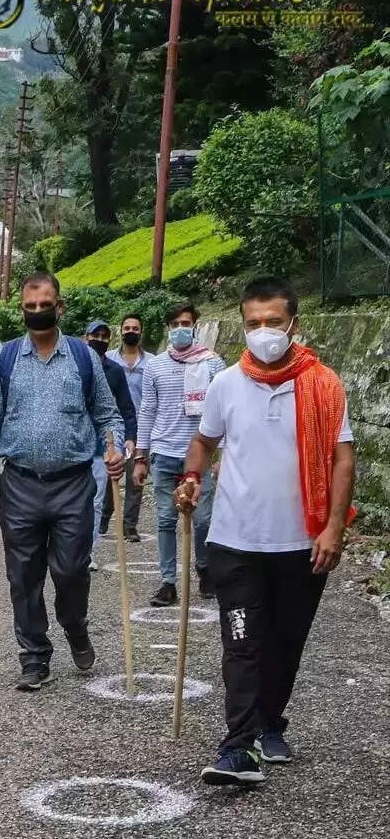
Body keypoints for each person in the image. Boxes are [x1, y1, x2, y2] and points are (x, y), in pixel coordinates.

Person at [177, 277, 355, 786]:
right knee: (243, 644)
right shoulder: (226, 383)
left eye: (273, 322)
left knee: (285, 643)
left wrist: (334, 528)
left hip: (303, 542)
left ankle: (270, 722)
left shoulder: (323, 384)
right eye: (253, 323)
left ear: (293, 323)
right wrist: (190, 479)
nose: (263, 332)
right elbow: (204, 443)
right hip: (235, 542)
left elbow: (343, 458)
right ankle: (238, 747)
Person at [0, 273, 124, 690]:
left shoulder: (82, 356)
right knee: (22, 575)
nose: (37, 312)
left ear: (61, 307)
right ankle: (34, 656)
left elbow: (108, 415)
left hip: (74, 484)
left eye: (45, 305)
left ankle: (74, 625)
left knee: (72, 570)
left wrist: (116, 448)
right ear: (21, 309)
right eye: (29, 307)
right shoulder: (5, 358)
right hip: (19, 484)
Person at [134, 303, 225, 606]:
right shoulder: (155, 366)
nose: (180, 328)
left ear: (195, 326)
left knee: (203, 519)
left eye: (185, 323)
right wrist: (141, 456)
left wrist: (222, 455)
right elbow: (147, 410)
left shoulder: (213, 364)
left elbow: (224, 412)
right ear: (167, 329)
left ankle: (204, 567)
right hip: (164, 451)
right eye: (174, 324)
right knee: (164, 519)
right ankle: (168, 582)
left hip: (199, 456)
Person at [83, 320, 137, 571]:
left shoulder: (115, 371)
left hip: (102, 447)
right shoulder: (74, 364)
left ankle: (89, 551)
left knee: (95, 501)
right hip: (73, 446)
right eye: (97, 335)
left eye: (106, 336)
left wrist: (129, 436)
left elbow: (126, 408)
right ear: (86, 337)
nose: (101, 340)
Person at [104, 313, 155, 541]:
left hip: (141, 430)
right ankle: (102, 520)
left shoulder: (152, 362)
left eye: (135, 328)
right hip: (113, 429)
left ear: (141, 332)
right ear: (120, 330)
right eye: (127, 328)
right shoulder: (108, 359)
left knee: (135, 479)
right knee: (107, 476)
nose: (131, 331)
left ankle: (129, 527)